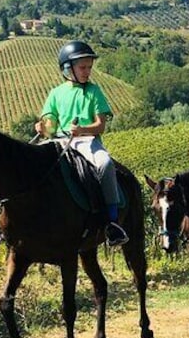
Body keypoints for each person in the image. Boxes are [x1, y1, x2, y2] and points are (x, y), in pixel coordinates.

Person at [35, 40, 128, 246]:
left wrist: (82, 130)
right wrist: (43, 128)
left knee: (106, 164)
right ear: (68, 68)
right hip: (59, 141)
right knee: (32, 164)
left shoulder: (94, 91)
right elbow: (51, 126)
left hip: (88, 141)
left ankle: (112, 223)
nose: (87, 72)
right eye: (83, 67)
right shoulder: (55, 93)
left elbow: (100, 126)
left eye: (89, 68)